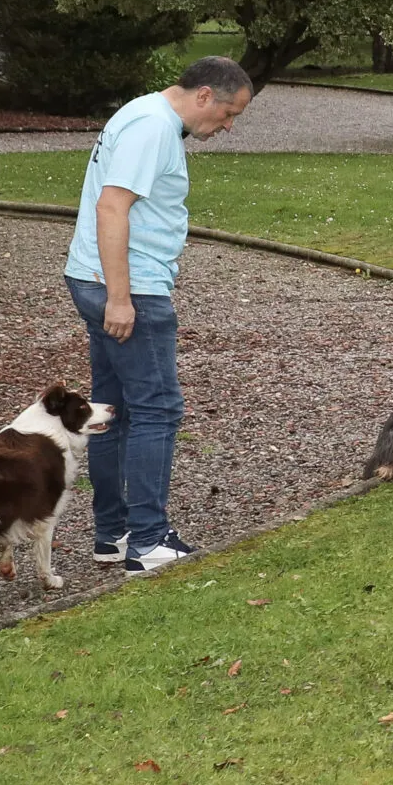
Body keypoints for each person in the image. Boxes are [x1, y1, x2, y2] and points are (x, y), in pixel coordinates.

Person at [63, 55, 255, 572]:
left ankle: (113, 534)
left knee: (112, 409)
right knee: (158, 409)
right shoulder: (152, 128)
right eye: (229, 114)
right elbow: (111, 207)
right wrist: (120, 298)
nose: (228, 126)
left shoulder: (143, 113)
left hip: (95, 277)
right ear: (204, 96)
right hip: (129, 288)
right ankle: (147, 541)